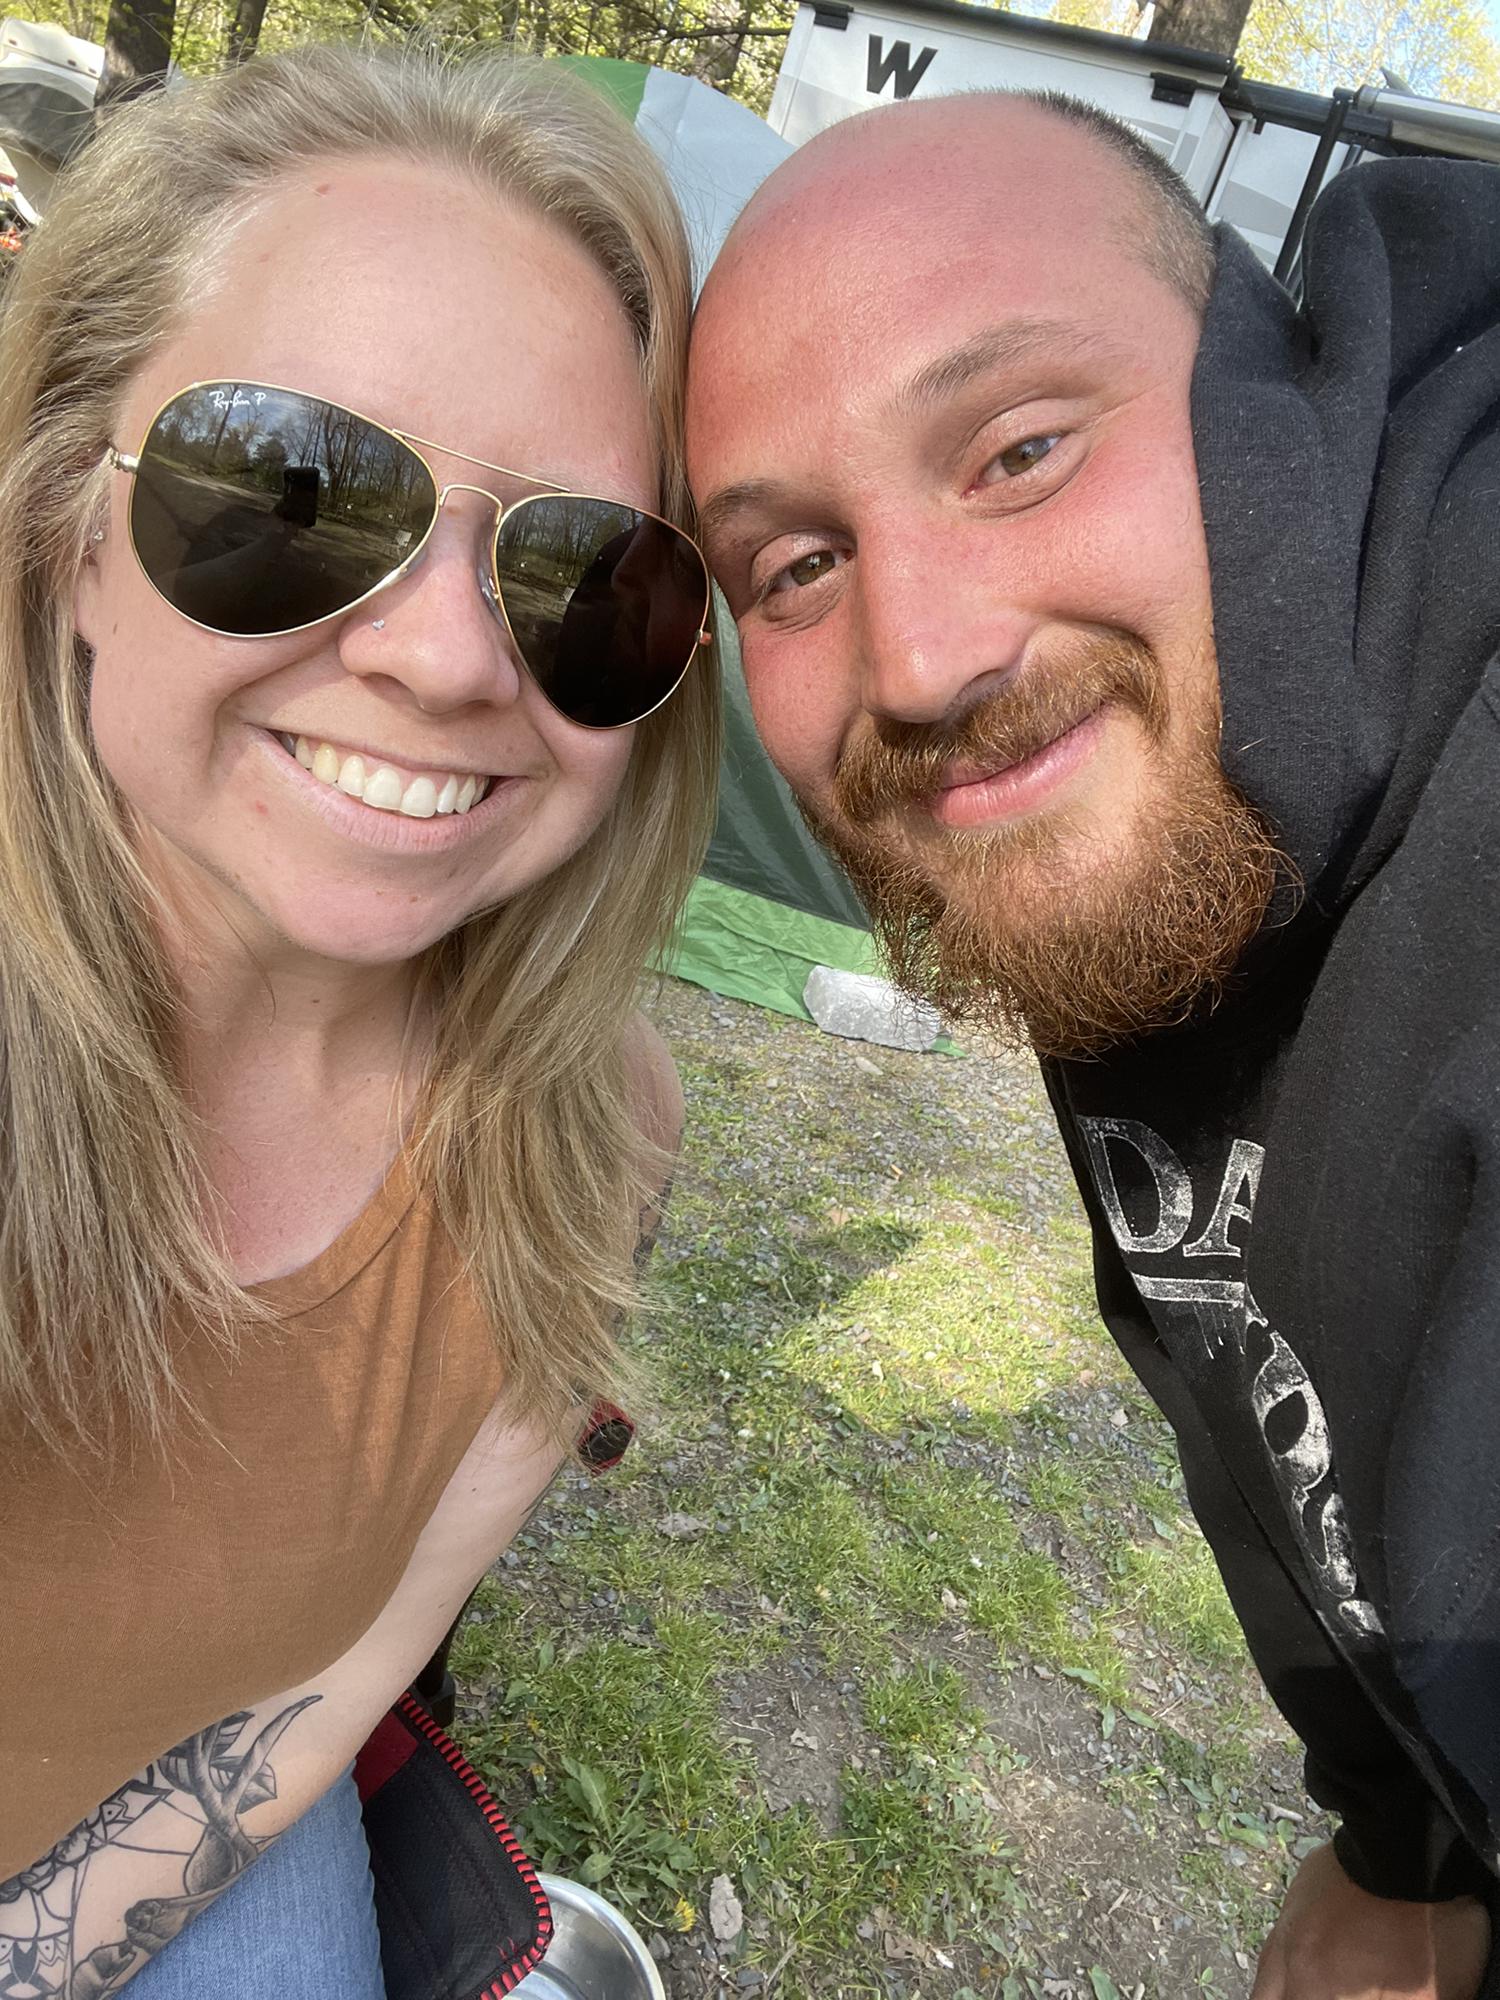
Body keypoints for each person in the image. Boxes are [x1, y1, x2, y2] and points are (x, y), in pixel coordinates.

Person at [686, 90, 1500, 1999]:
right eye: (794, 567)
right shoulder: (1170, 807)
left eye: (1021, 449)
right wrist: (1398, 1841)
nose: (921, 662)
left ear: (1259, 379)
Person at [0, 42, 716, 1998]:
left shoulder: (590, 1134)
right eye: (295, 489)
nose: (452, 658)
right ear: (68, 526)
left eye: (583, 569)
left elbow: (346, 1670)